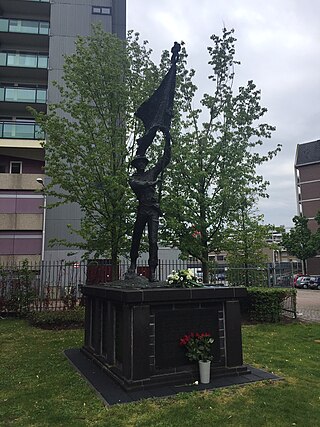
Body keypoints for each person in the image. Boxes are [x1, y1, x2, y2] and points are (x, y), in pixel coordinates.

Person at [127, 130, 171, 282]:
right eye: (138, 162)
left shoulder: (152, 172)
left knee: (153, 241)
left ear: (145, 164)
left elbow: (165, 160)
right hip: (142, 209)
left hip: (153, 210)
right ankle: (133, 264)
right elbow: (137, 185)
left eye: (143, 162)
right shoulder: (133, 178)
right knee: (136, 238)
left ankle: (152, 270)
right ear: (136, 164)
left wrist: (167, 139)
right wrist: (152, 183)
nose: (141, 164)